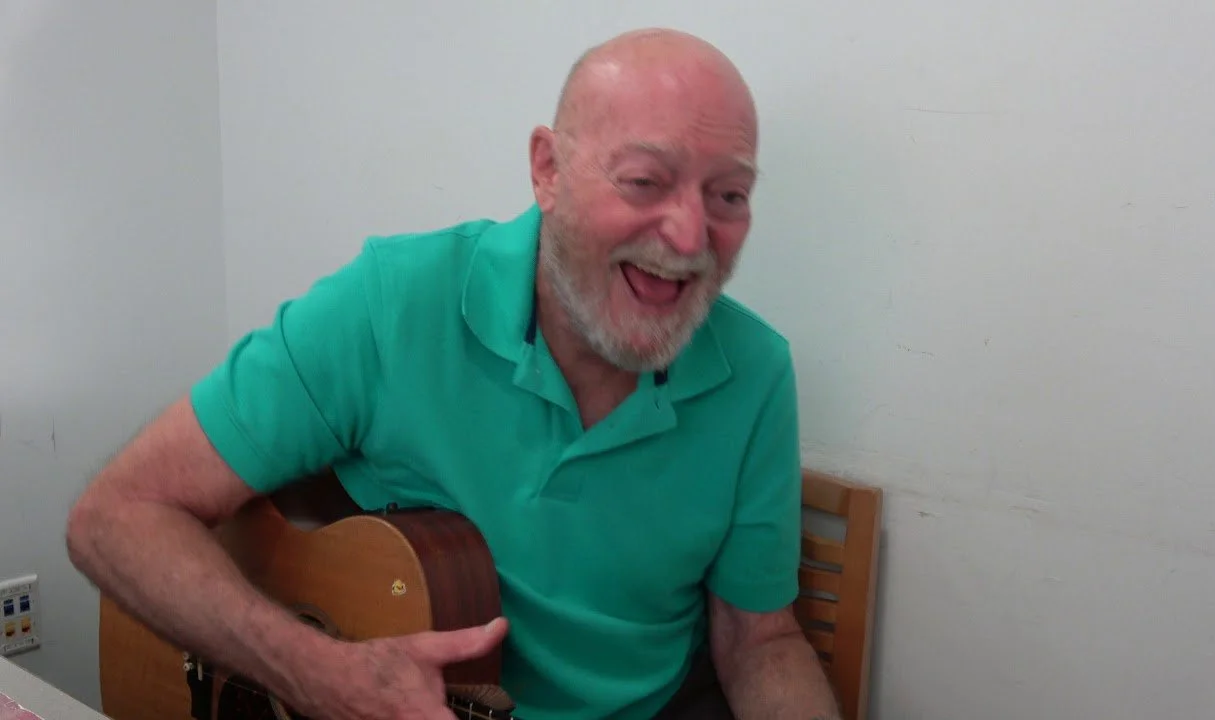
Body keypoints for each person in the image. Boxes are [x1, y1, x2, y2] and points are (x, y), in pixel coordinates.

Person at [66, 27, 840, 720]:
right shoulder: (392, 303)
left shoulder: (757, 375)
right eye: (644, 181)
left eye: (728, 194)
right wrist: (317, 673)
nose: (689, 233)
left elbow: (759, 640)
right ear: (548, 170)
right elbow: (116, 516)